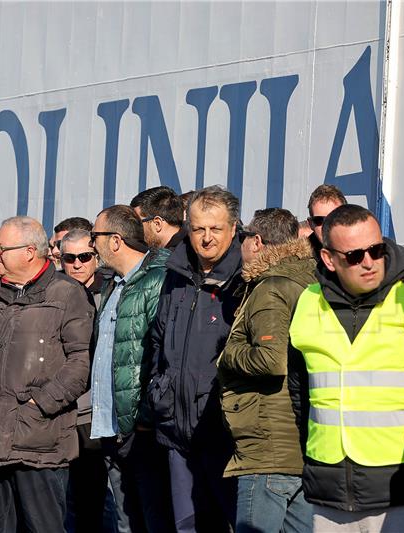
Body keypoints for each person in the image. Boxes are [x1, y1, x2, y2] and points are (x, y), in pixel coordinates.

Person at [289, 205, 404, 532]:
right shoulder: (307, 302)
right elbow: (300, 393)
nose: (368, 262)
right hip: (330, 496)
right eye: (354, 255)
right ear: (328, 259)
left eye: (376, 250)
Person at [0, 216, 93, 533]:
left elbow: (79, 364)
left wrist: (37, 406)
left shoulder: (67, 295)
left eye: (2, 248)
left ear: (30, 251)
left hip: (39, 444)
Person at [145, 185, 243, 532]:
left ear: (233, 228)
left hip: (221, 432)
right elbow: (159, 337)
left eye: (215, 229)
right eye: (198, 229)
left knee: (226, 523)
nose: (206, 238)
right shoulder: (177, 273)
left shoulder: (243, 279)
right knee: (185, 525)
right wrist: (160, 389)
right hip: (176, 427)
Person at [217, 208, 315, 533]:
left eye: (243, 238)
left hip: (268, 447)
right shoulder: (308, 279)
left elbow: (271, 360)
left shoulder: (271, 287)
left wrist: (228, 354)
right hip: (300, 445)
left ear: (257, 241)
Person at [89, 205, 174, 533]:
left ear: (114, 241)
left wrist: (145, 419)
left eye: (95, 237)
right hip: (111, 427)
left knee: (153, 520)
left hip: (140, 430)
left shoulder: (156, 281)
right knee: (126, 524)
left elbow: (161, 355)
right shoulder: (114, 285)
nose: (90, 246)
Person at [59, 228, 112, 532]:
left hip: (97, 411)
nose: (78, 263)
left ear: (96, 257)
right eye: (70, 258)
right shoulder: (53, 294)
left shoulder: (112, 291)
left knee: (97, 494)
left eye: (84, 256)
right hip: (63, 410)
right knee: (67, 498)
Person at [306, 184, 347, 258]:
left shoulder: (366, 253)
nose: (327, 226)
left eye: (334, 218)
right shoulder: (297, 264)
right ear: (311, 224)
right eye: (319, 220)